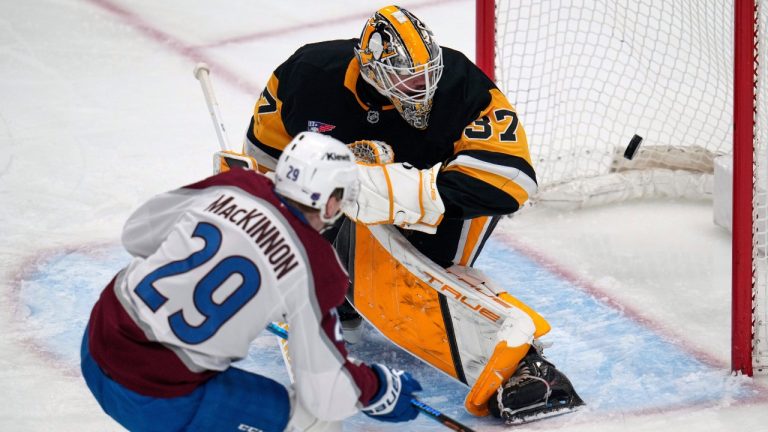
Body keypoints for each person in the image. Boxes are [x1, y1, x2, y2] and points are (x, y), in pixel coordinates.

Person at [240, 5, 582, 422]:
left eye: (427, 73)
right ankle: (345, 291)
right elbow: (265, 157)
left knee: (419, 285)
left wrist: (396, 191)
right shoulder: (309, 72)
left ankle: (526, 368)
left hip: (439, 212)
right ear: (370, 69)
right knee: (311, 229)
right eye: (407, 77)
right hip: (340, 205)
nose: (423, 86)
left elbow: (513, 180)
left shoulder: (459, 84)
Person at [80, 132, 423, 432]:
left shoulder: (236, 184)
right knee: (317, 423)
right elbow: (327, 397)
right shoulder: (318, 267)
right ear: (331, 201)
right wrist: (376, 387)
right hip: (158, 399)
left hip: (95, 345)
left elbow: (137, 235)